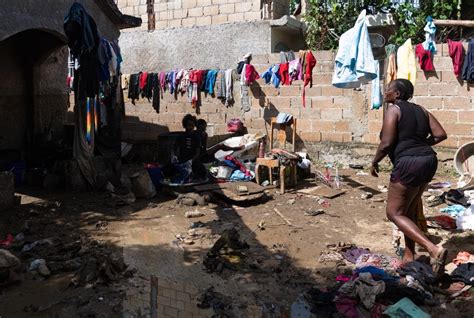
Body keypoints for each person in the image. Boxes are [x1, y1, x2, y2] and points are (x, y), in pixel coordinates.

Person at [370, 79, 448, 276]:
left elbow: (386, 143)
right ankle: (409, 254)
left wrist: (374, 161)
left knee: (394, 212)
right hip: (429, 160)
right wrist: (421, 146)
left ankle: (433, 249)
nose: (385, 92)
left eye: (388, 89)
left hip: (408, 164)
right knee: (409, 210)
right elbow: (440, 135)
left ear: (397, 94)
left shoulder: (394, 110)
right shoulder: (421, 110)